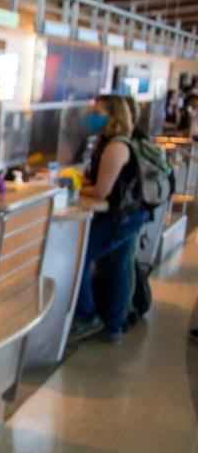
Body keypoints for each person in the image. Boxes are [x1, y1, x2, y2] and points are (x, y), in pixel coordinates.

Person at [71, 94, 149, 344]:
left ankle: (88, 315)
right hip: (127, 215)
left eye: (97, 111)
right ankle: (114, 324)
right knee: (118, 265)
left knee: (78, 258)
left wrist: (72, 189)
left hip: (122, 217)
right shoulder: (109, 142)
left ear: (112, 116)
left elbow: (101, 191)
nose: (91, 115)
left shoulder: (117, 146)